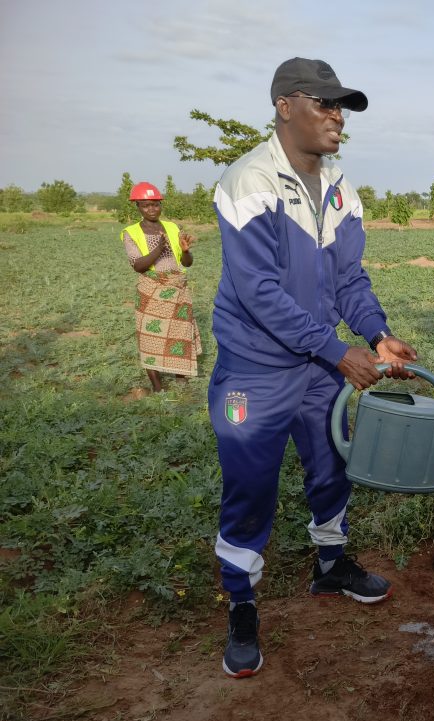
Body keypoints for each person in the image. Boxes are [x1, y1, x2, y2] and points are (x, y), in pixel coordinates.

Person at [210, 58, 417, 678]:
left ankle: (330, 567)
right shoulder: (249, 182)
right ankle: (242, 604)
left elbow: (349, 278)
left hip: (319, 361)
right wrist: (336, 350)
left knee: (332, 465)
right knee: (251, 483)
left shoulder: (340, 187)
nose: (336, 117)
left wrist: (377, 334)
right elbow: (258, 291)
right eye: (325, 104)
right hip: (257, 366)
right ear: (284, 106)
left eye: (342, 108)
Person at [120, 182, 201, 393]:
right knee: (149, 338)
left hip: (177, 289)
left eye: (155, 205)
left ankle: (180, 377)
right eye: (146, 206)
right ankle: (157, 387)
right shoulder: (131, 232)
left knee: (179, 333)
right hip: (151, 290)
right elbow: (138, 266)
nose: (152, 210)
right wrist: (159, 248)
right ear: (137, 206)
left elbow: (187, 263)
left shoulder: (173, 227)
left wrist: (186, 251)